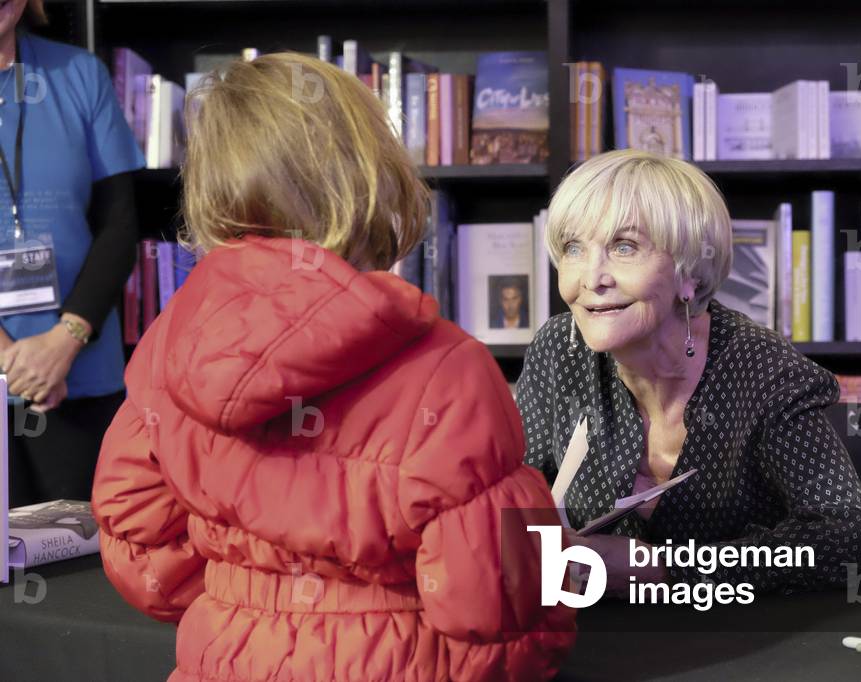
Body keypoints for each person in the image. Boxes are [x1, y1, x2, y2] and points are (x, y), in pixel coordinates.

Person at [90, 53, 574, 681]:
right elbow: (506, 617)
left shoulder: (165, 347)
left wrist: (250, 602)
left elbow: (139, 548)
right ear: (371, 174)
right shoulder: (448, 370)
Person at [518, 149, 861, 595]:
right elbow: (511, 496)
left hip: (746, 641)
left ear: (689, 274)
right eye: (574, 248)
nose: (591, 277)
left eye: (624, 247)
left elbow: (850, 540)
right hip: (593, 638)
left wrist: (659, 569)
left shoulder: (764, 372)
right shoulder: (559, 350)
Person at [0, 0, 143, 507]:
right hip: (16, 368)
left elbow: (120, 225)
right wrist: (9, 360)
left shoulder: (80, 74)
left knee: (81, 568)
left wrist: (64, 340)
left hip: (79, 372)